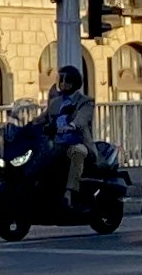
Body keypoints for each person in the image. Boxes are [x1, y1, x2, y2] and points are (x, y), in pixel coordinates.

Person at [40, 64, 100, 202]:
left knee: (77, 151)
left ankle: (70, 192)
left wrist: (71, 125)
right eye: (61, 80)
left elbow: (83, 118)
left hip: (77, 141)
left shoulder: (85, 101)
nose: (63, 83)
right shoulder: (55, 102)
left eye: (67, 80)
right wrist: (27, 124)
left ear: (75, 82)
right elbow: (44, 118)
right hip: (56, 142)